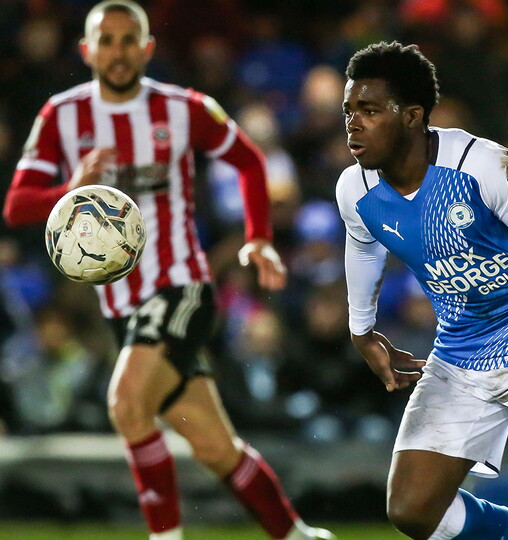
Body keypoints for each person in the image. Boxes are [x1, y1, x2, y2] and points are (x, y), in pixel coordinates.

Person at [2, 2, 334, 539]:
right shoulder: (61, 115)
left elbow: (249, 159)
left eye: (129, 39)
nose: (118, 50)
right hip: (121, 306)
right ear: (86, 50)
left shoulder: (184, 108)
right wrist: (71, 189)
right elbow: (17, 206)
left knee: (126, 404)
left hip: (180, 285)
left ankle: (165, 537)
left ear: (148, 48)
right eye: (106, 40)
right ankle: (298, 535)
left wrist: (258, 238)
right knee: (213, 446)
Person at [336, 41, 508, 540]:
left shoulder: (484, 164)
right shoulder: (354, 191)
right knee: (412, 511)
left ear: (412, 116)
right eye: (349, 111)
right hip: (459, 354)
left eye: (369, 110)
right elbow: (362, 248)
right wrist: (362, 330)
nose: (353, 123)